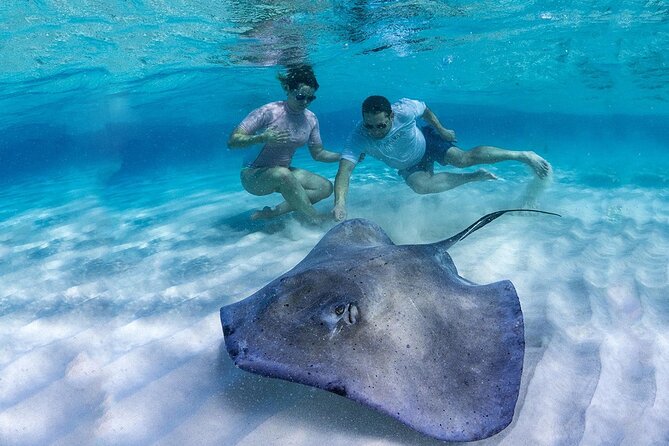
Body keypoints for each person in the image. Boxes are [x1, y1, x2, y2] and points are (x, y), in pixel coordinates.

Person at [332, 96, 552, 221]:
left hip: (426, 142)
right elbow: (344, 171)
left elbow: (425, 110)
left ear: (391, 116)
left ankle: (522, 155)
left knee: (463, 158)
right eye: (369, 126)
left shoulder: (404, 110)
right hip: (409, 165)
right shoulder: (358, 136)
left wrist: (442, 129)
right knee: (420, 186)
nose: (375, 131)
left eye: (381, 125)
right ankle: (472, 178)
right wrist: (340, 203)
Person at [228, 64, 340, 221]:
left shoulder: (311, 119)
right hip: (253, 176)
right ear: (288, 89)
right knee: (283, 174)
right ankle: (315, 218)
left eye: (310, 98)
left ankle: (272, 213)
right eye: (301, 97)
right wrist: (261, 138)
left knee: (325, 187)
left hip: (282, 173)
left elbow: (318, 153)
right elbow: (232, 142)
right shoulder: (269, 111)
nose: (305, 102)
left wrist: (342, 156)